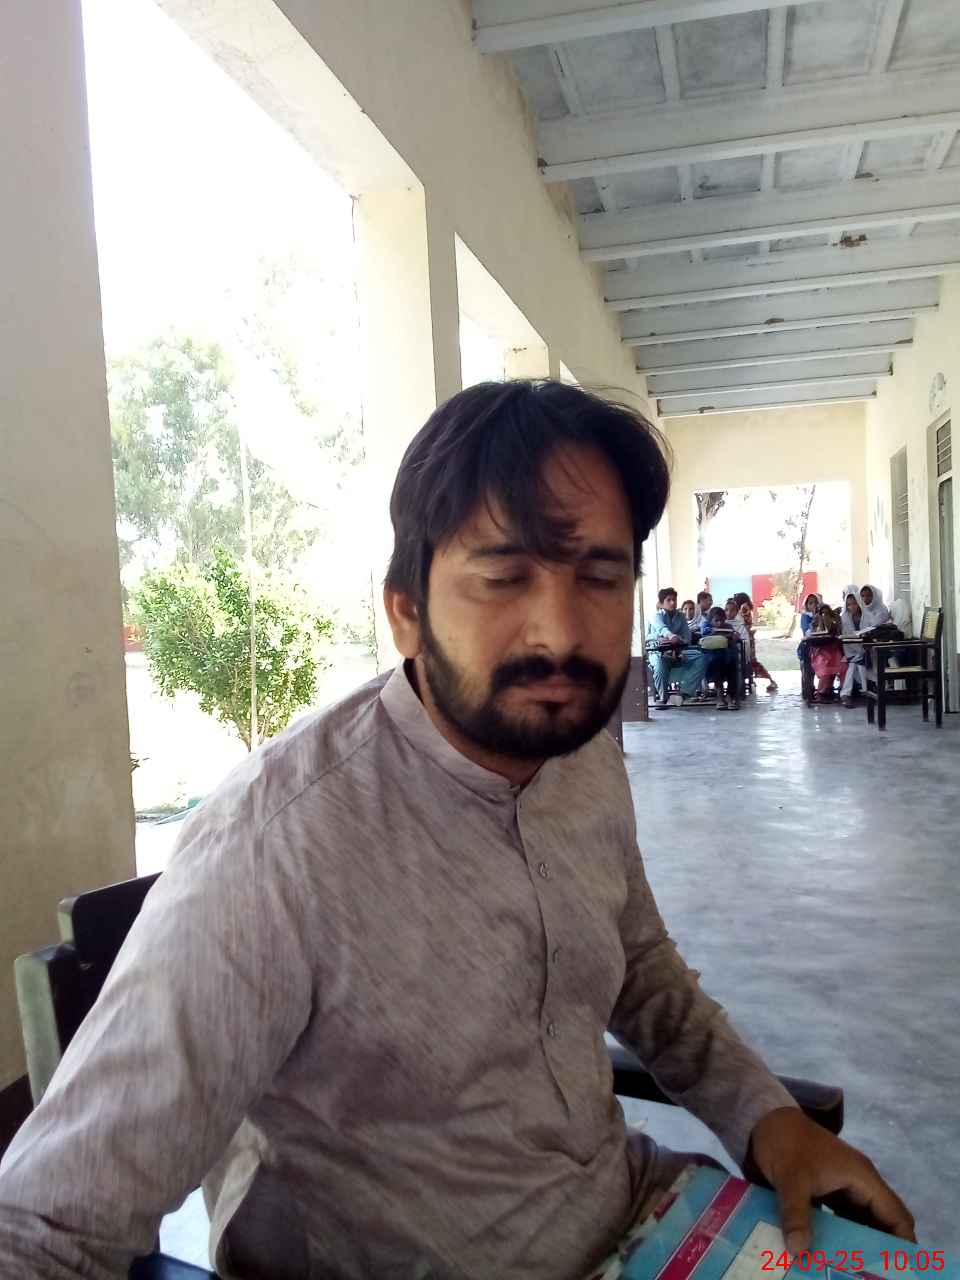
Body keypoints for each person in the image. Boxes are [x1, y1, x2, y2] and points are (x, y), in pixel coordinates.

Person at [0, 380, 914, 1280]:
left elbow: (639, 965)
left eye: (600, 578)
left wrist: (766, 1116)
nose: (560, 633)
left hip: (639, 1215)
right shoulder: (277, 851)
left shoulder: (578, 751)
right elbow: (43, 1229)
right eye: (504, 577)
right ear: (406, 609)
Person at [647, 586, 710, 708]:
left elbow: (687, 638)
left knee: (702, 658)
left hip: (679, 651)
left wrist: (678, 642)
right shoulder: (656, 616)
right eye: (668, 600)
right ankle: (663, 698)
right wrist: (670, 636)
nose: (672, 603)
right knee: (659, 663)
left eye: (674, 600)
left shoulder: (680, 616)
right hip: (657, 652)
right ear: (661, 603)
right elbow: (662, 629)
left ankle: (683, 693)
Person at [734, 591, 778, 693]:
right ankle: (758, 679)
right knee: (750, 661)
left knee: (750, 661)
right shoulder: (746, 607)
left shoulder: (743, 608)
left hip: (746, 638)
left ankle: (770, 680)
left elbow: (742, 622)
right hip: (747, 637)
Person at [700, 605, 741, 710]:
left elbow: (734, 640)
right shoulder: (706, 626)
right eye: (716, 620)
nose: (719, 623)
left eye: (722, 620)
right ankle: (720, 694)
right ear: (710, 620)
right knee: (717, 660)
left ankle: (730, 695)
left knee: (733, 662)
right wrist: (718, 634)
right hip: (712, 657)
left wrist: (734, 637)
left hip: (728, 656)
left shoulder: (728, 626)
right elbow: (705, 636)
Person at [809, 603, 846, 701]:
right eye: (822, 613)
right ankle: (821, 692)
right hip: (820, 652)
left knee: (843, 666)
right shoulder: (816, 622)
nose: (824, 615)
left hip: (834, 650)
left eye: (827, 613)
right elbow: (815, 637)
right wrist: (821, 622)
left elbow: (838, 635)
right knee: (825, 667)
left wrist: (829, 623)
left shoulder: (836, 622)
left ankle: (844, 692)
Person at [840, 588, 866, 708]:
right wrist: (858, 652)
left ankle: (845, 694)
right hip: (851, 650)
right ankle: (866, 691)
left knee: (855, 664)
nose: (852, 607)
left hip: (867, 649)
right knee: (856, 664)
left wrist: (861, 650)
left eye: (854, 603)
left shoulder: (865, 615)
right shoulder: (844, 618)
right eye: (849, 605)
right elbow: (847, 639)